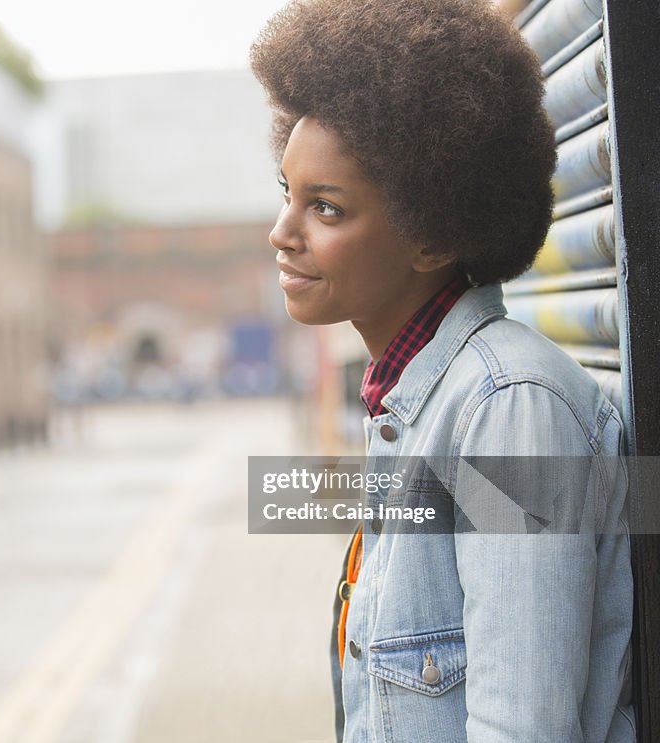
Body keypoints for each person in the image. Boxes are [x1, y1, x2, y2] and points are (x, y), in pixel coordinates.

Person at [249, 1, 635, 740]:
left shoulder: (510, 412)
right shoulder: (412, 400)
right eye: (286, 194)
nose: (282, 232)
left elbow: (522, 727)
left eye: (325, 209)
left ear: (432, 233)